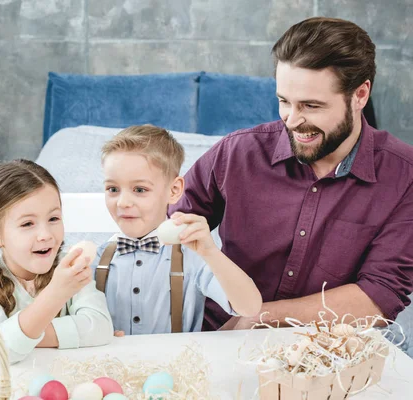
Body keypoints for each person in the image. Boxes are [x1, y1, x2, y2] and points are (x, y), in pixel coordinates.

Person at [170, 17, 413, 331]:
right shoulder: (238, 152)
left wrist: (258, 317)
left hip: (328, 353)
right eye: (284, 101)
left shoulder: (404, 176)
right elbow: (162, 233)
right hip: (217, 339)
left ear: (360, 95)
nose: (292, 120)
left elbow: (379, 297)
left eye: (311, 106)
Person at [91, 125, 262, 335]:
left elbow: (250, 307)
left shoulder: (192, 256)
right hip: (110, 365)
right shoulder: (97, 258)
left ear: (174, 191)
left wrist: (211, 253)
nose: (123, 202)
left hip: (177, 365)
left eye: (139, 190)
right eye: (113, 189)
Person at [0, 160, 113, 362]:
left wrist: (12, 337)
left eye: (53, 219)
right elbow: (5, 350)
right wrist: (56, 293)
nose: (45, 234)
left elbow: (100, 328)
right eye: (27, 223)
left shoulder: (69, 268)